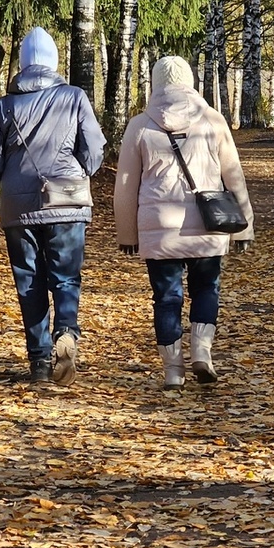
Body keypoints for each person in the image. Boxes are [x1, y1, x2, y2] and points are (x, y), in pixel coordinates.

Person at [114, 56, 254, 390]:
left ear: (156, 83)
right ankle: (202, 353)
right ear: (189, 82)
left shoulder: (140, 125)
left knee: (166, 298)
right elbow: (233, 176)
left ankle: (173, 371)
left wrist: (127, 234)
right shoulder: (213, 120)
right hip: (208, 224)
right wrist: (244, 227)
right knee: (206, 288)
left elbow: (125, 185)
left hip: (160, 229)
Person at [0, 27, 107, 385]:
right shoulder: (74, 97)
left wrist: (11, 178)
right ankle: (66, 333)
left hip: (18, 208)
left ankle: (38, 362)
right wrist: (80, 169)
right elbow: (94, 151)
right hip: (66, 202)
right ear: (54, 62)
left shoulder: (5, 105)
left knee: (29, 280)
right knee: (65, 276)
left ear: (22, 65)